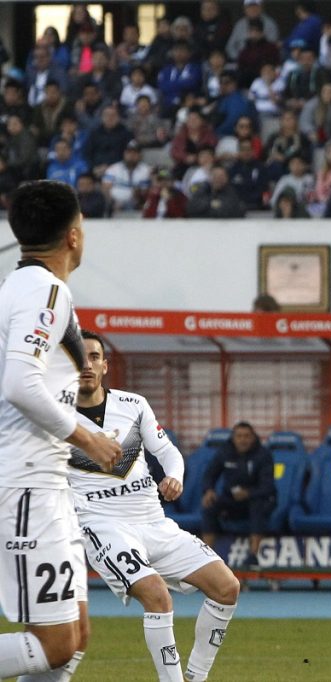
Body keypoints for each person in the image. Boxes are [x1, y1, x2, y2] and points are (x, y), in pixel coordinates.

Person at [0, 180, 121, 679]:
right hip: (26, 482)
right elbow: (21, 385)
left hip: (46, 482)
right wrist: (90, 438)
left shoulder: (21, 287)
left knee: (74, 638)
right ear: (74, 235)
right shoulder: (44, 291)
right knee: (52, 645)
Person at [70, 331, 239, 682]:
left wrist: (174, 476)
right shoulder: (56, 418)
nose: (86, 364)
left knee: (227, 587)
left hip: (153, 520)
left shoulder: (133, 405)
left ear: (105, 365)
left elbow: (167, 452)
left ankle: (196, 676)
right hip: (103, 524)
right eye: (78, 357)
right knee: (156, 595)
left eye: (94, 357)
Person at [201, 422, 276, 570]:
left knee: (258, 504)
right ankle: (206, 558)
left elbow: (268, 487)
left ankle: (253, 556)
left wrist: (248, 493)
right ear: (233, 438)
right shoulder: (224, 452)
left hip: (257, 499)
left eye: (247, 436)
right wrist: (209, 490)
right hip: (232, 501)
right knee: (209, 505)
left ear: (253, 438)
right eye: (239, 436)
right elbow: (209, 475)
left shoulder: (263, 455)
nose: (243, 440)